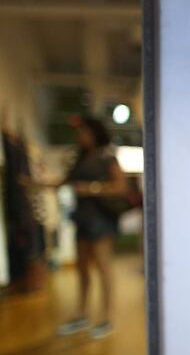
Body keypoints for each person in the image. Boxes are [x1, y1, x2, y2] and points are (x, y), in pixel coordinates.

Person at [27, 117, 127, 339]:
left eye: (84, 132)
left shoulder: (106, 158)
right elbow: (62, 182)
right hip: (83, 219)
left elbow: (120, 187)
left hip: (101, 219)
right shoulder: (80, 159)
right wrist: (35, 184)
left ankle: (107, 317)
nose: (80, 137)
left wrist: (91, 189)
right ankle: (81, 314)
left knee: (103, 268)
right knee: (82, 268)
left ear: (94, 133)